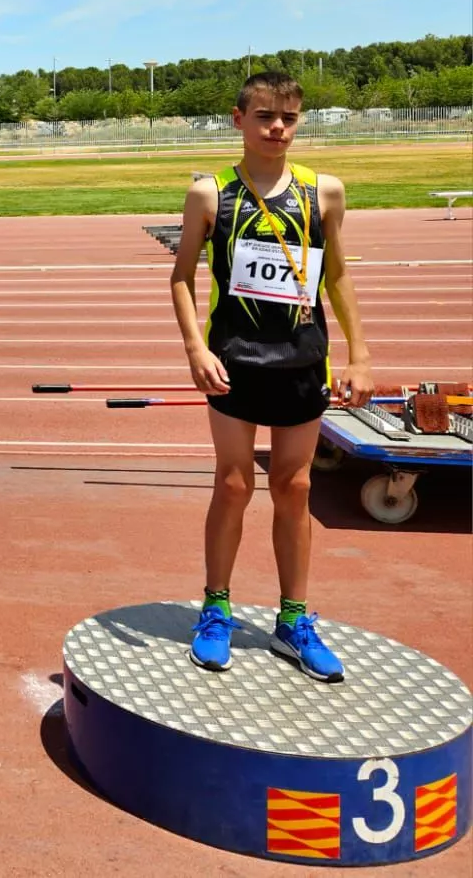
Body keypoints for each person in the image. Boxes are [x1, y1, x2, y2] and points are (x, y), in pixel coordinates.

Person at [169, 71, 372, 680]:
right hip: (234, 362)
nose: (277, 128)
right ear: (239, 120)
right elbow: (181, 276)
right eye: (264, 116)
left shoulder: (324, 192)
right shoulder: (210, 194)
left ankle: (294, 619)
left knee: (296, 486)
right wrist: (194, 348)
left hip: (303, 361)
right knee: (233, 485)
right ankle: (216, 609)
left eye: (288, 118)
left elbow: (337, 276)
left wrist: (360, 355)